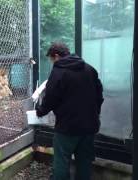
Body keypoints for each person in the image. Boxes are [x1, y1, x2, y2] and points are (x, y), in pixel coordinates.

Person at [35, 42, 104, 180]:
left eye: (51, 59)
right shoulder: (90, 69)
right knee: (84, 162)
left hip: (67, 127)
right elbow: (99, 96)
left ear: (56, 56)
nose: (52, 63)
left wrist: (40, 110)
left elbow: (51, 98)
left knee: (62, 161)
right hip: (89, 126)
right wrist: (93, 114)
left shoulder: (58, 72)